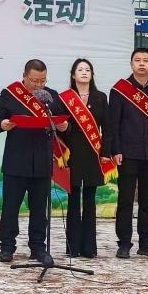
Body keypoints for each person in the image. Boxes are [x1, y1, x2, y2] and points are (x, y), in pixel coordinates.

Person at [0, 59, 68, 265]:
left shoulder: (51, 96)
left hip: (42, 162)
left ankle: (38, 248)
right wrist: (2, 123)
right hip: (16, 161)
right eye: (34, 80)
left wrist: (63, 126)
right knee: (11, 208)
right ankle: (7, 247)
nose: (38, 85)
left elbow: (62, 120)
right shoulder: (10, 94)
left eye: (42, 80)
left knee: (39, 209)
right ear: (24, 76)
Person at [109, 48, 148, 259]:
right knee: (125, 201)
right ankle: (124, 243)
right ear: (131, 64)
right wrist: (116, 149)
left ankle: (146, 243)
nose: (142, 64)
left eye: (146, 60)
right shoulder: (119, 90)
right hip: (127, 154)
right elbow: (114, 124)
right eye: (137, 60)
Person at [57, 58, 113, 258]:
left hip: (93, 154)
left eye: (87, 69)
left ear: (92, 74)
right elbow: (60, 129)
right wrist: (64, 128)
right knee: (73, 200)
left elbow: (108, 128)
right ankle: (72, 247)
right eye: (80, 69)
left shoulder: (100, 97)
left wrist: (105, 153)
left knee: (89, 200)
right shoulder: (64, 98)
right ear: (73, 75)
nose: (84, 72)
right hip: (72, 154)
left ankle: (89, 248)